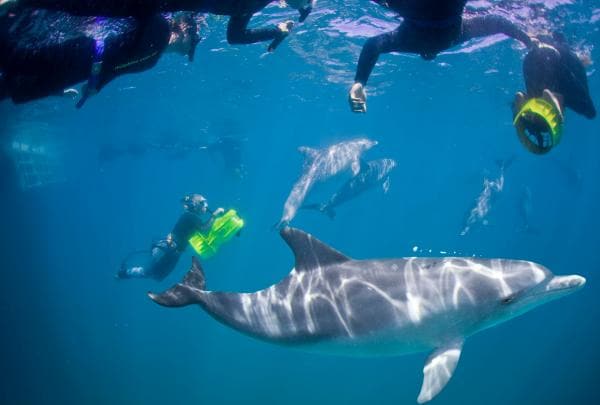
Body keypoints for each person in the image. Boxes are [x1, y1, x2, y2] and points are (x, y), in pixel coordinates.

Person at [349, 0, 533, 113]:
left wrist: (529, 40)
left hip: (448, 8)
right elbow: (373, 45)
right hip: (412, 8)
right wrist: (359, 82)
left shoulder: (453, 38)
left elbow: (497, 22)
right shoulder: (411, 43)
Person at [0, 9, 202, 106]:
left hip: (83, 70)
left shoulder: (152, 61)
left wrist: (97, 86)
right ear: (185, 27)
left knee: (20, 89)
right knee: (19, 59)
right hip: (84, 51)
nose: (190, 49)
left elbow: (116, 69)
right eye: (196, 38)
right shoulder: (159, 25)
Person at [0, 0, 314, 52]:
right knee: (97, 9)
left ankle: (26, 10)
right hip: (159, 7)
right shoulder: (255, 4)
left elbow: (234, 36)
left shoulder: (255, 4)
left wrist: (275, 31)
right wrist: (275, 31)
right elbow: (235, 36)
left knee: (96, 9)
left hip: (158, 6)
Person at [512, 34, 596, 154]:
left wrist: (559, 116)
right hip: (532, 60)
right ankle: (544, 100)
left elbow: (591, 113)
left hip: (556, 58)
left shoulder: (573, 96)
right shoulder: (533, 100)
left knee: (589, 111)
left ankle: (552, 100)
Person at [117, 194, 225, 280]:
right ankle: (124, 273)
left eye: (205, 202)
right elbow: (204, 229)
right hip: (168, 249)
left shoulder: (192, 217)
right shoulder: (190, 216)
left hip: (173, 251)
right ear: (193, 205)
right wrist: (214, 215)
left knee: (157, 276)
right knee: (149, 272)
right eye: (202, 202)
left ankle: (125, 274)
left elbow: (204, 230)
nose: (206, 205)